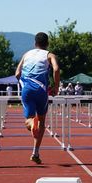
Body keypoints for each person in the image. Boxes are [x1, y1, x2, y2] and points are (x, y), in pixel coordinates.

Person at [15, 32, 60, 164]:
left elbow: (17, 73)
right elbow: (56, 69)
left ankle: (32, 124)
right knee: (41, 122)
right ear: (47, 44)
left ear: (35, 43)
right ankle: (35, 152)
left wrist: (23, 83)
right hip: (42, 91)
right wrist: (56, 86)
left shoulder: (26, 54)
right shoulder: (50, 55)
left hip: (27, 89)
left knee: (29, 121)